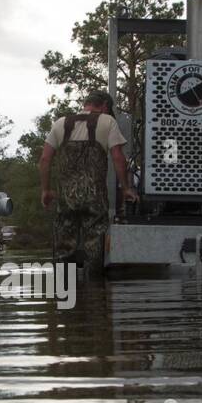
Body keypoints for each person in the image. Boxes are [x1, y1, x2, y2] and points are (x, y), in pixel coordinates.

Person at [38, 90, 136, 270]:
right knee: (94, 251)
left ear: (86, 104)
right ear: (105, 106)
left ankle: (64, 291)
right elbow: (118, 158)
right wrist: (126, 187)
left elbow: (45, 159)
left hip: (66, 199)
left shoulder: (60, 123)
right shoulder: (108, 121)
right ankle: (96, 292)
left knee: (63, 252)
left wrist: (45, 190)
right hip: (95, 200)